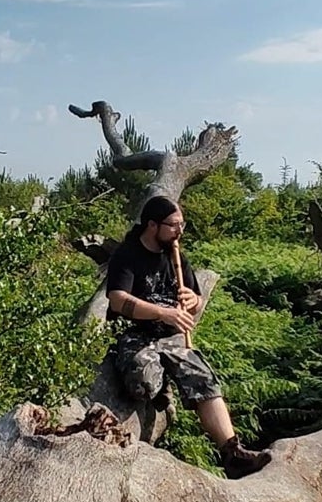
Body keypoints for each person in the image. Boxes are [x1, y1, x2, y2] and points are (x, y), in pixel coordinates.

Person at [105, 195, 270, 479]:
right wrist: (162, 313)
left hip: (171, 338)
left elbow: (196, 299)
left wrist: (193, 300)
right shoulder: (127, 254)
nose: (180, 231)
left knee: (203, 379)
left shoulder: (176, 254)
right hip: (134, 334)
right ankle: (161, 386)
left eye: (183, 225)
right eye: (173, 225)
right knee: (143, 385)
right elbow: (118, 299)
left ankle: (232, 452)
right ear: (152, 225)